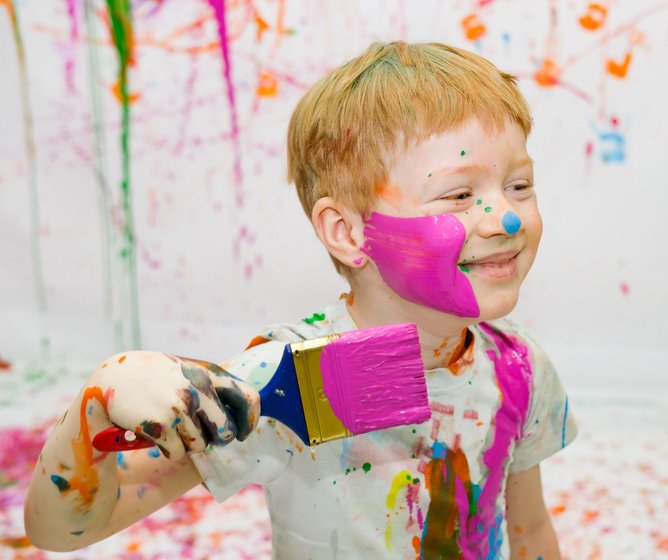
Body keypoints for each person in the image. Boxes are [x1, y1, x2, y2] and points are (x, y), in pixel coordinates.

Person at [25, 41, 578, 559]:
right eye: (460, 194)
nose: (506, 217)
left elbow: (526, 526)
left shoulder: (517, 367)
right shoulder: (279, 382)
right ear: (348, 232)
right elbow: (59, 530)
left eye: (519, 186)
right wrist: (96, 400)